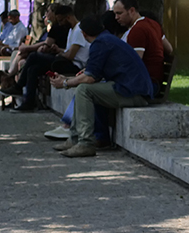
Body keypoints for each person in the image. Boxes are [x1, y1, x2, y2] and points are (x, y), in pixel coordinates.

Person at [50, 15, 153, 158]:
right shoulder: (106, 39)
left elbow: (89, 78)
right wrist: (68, 79)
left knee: (84, 90)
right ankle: (75, 139)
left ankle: (85, 143)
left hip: (133, 93)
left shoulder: (100, 44)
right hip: (131, 89)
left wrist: (65, 83)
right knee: (86, 88)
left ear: (84, 34)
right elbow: (92, 74)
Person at [112, 0, 169, 91]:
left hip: (144, 84)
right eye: (115, 14)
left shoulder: (137, 30)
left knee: (90, 91)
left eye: (119, 13)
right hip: (154, 81)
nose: (116, 17)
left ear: (132, 11)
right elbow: (169, 48)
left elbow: (135, 62)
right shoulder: (153, 24)